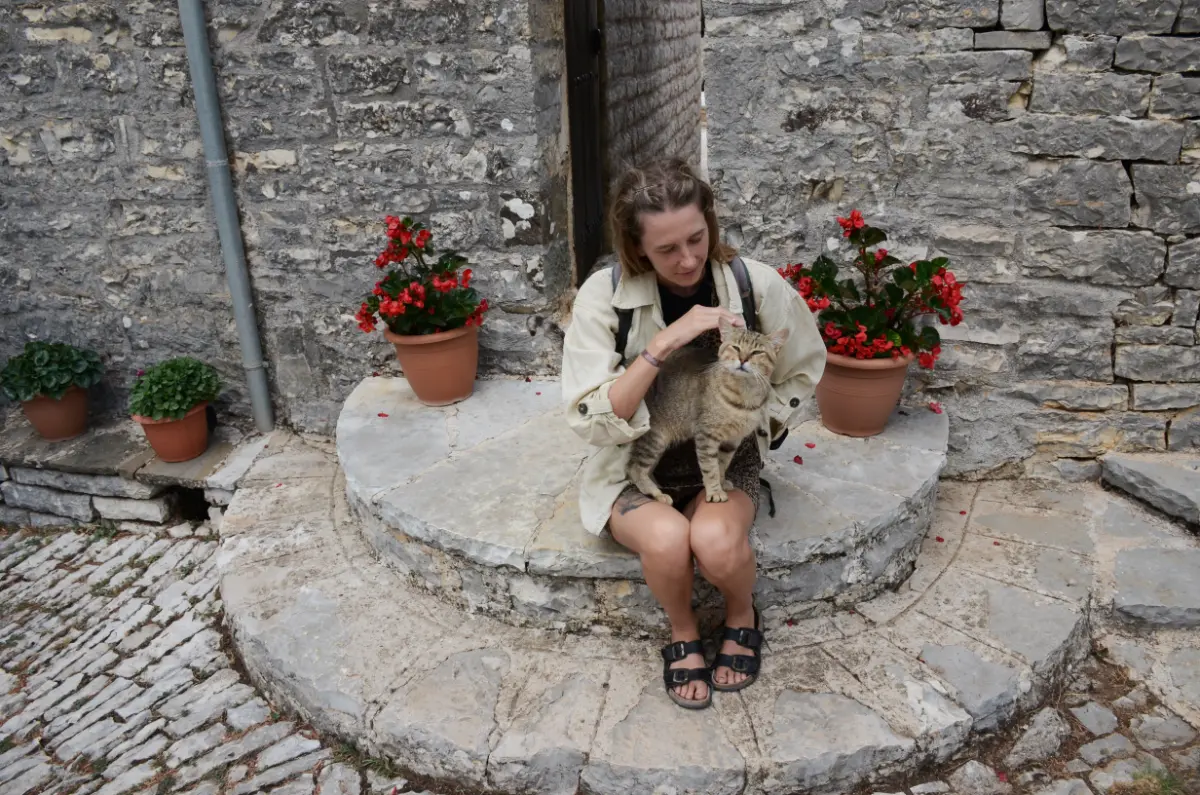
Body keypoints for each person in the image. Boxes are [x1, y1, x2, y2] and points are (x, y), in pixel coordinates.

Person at [561, 158, 827, 709]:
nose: (686, 260)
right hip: (636, 460)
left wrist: (757, 417)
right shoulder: (602, 296)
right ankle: (683, 632)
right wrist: (662, 346)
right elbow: (591, 417)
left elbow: (803, 366)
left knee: (713, 543)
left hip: (724, 460)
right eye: (665, 250)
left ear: (710, 223)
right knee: (666, 540)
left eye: (696, 239)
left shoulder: (756, 284)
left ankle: (740, 614)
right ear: (637, 250)